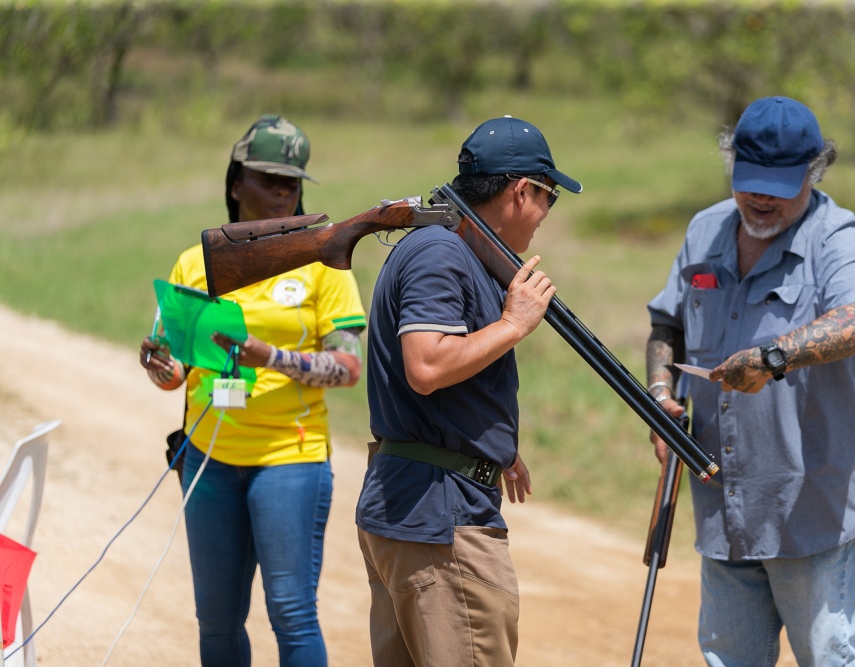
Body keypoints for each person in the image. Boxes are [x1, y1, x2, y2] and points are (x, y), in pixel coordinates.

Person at [645, 96, 855, 666]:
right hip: (722, 495)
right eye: (749, 181)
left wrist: (772, 357)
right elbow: (668, 323)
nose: (760, 198)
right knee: (728, 658)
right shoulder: (704, 229)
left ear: (814, 171)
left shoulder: (838, 237)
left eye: (778, 186)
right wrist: (659, 395)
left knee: (827, 655)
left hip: (811, 504)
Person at [138, 114, 367, 667]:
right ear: (236, 183)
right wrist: (156, 361)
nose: (284, 191)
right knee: (216, 622)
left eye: (293, 181)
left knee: (292, 613)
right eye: (270, 178)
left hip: (290, 459)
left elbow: (347, 367)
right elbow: (175, 376)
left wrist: (271, 357)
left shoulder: (324, 263)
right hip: (208, 461)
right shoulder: (195, 264)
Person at [355, 115, 582, 667]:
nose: (546, 215)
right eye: (548, 197)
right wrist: (514, 324)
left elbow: (440, 386)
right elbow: (427, 366)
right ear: (521, 190)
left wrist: (488, 440)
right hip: (441, 520)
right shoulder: (442, 252)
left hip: (420, 506)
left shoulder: (445, 248)